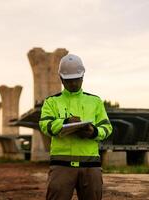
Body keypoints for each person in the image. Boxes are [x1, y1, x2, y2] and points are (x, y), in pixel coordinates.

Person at [39, 54, 113, 200]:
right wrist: (65, 122)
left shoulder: (95, 101)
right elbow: (45, 125)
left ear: (83, 77)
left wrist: (93, 132)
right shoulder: (51, 102)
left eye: (76, 80)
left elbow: (107, 127)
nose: (73, 84)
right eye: (68, 80)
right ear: (61, 79)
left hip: (90, 165)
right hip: (61, 165)